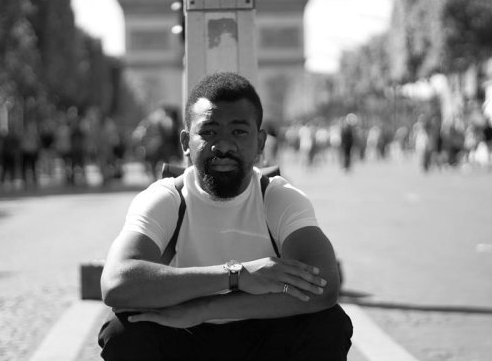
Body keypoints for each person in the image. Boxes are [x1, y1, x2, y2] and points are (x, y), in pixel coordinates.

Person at [98, 72, 352, 361]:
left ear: (260, 142)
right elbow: (116, 283)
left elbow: (324, 287)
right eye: (208, 132)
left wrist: (204, 308)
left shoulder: (280, 197)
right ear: (186, 142)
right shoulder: (166, 198)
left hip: (254, 333)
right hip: (184, 336)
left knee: (328, 323)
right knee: (122, 329)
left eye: (239, 132)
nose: (224, 146)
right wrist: (236, 276)